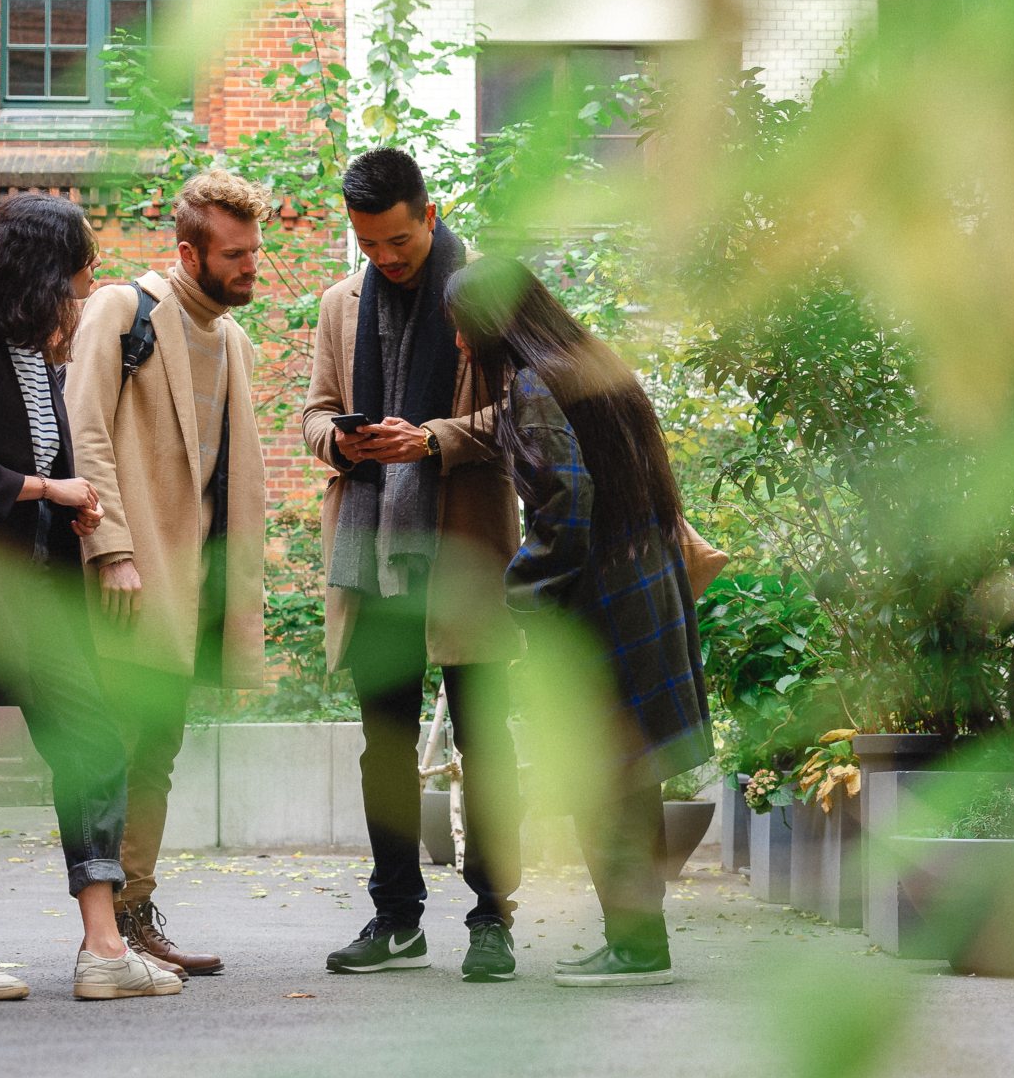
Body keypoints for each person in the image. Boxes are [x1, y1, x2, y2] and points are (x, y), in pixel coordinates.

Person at [0, 192, 181, 1001]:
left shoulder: (40, 355)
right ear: (39, 267)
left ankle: (103, 948)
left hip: (40, 588)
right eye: (78, 274)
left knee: (92, 742)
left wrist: (67, 502)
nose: (83, 291)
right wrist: (49, 485)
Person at [443, 255, 713, 987]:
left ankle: (633, 946)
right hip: (643, 573)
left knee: (602, 773)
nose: (461, 346)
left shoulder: (532, 384)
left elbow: (566, 498)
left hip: (603, 593)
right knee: (632, 770)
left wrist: (524, 594)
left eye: (462, 330)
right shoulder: (592, 365)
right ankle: (639, 939)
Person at [303, 148, 523, 982]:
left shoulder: (484, 293)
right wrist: (341, 438)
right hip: (371, 554)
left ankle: (494, 915)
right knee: (383, 747)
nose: (384, 258)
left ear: (428, 216)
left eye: (397, 240)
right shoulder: (340, 304)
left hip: (463, 551)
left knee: (486, 743)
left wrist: (433, 438)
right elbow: (314, 411)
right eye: (368, 244)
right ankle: (396, 917)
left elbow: (525, 413)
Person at [65, 170, 267, 979]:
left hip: (194, 591)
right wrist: (110, 547)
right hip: (129, 575)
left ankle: (132, 915)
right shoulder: (124, 310)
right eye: (236, 253)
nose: (252, 265)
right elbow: (85, 428)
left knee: (157, 749)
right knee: (112, 749)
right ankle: (103, 931)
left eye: (256, 250)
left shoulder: (234, 339)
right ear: (189, 251)